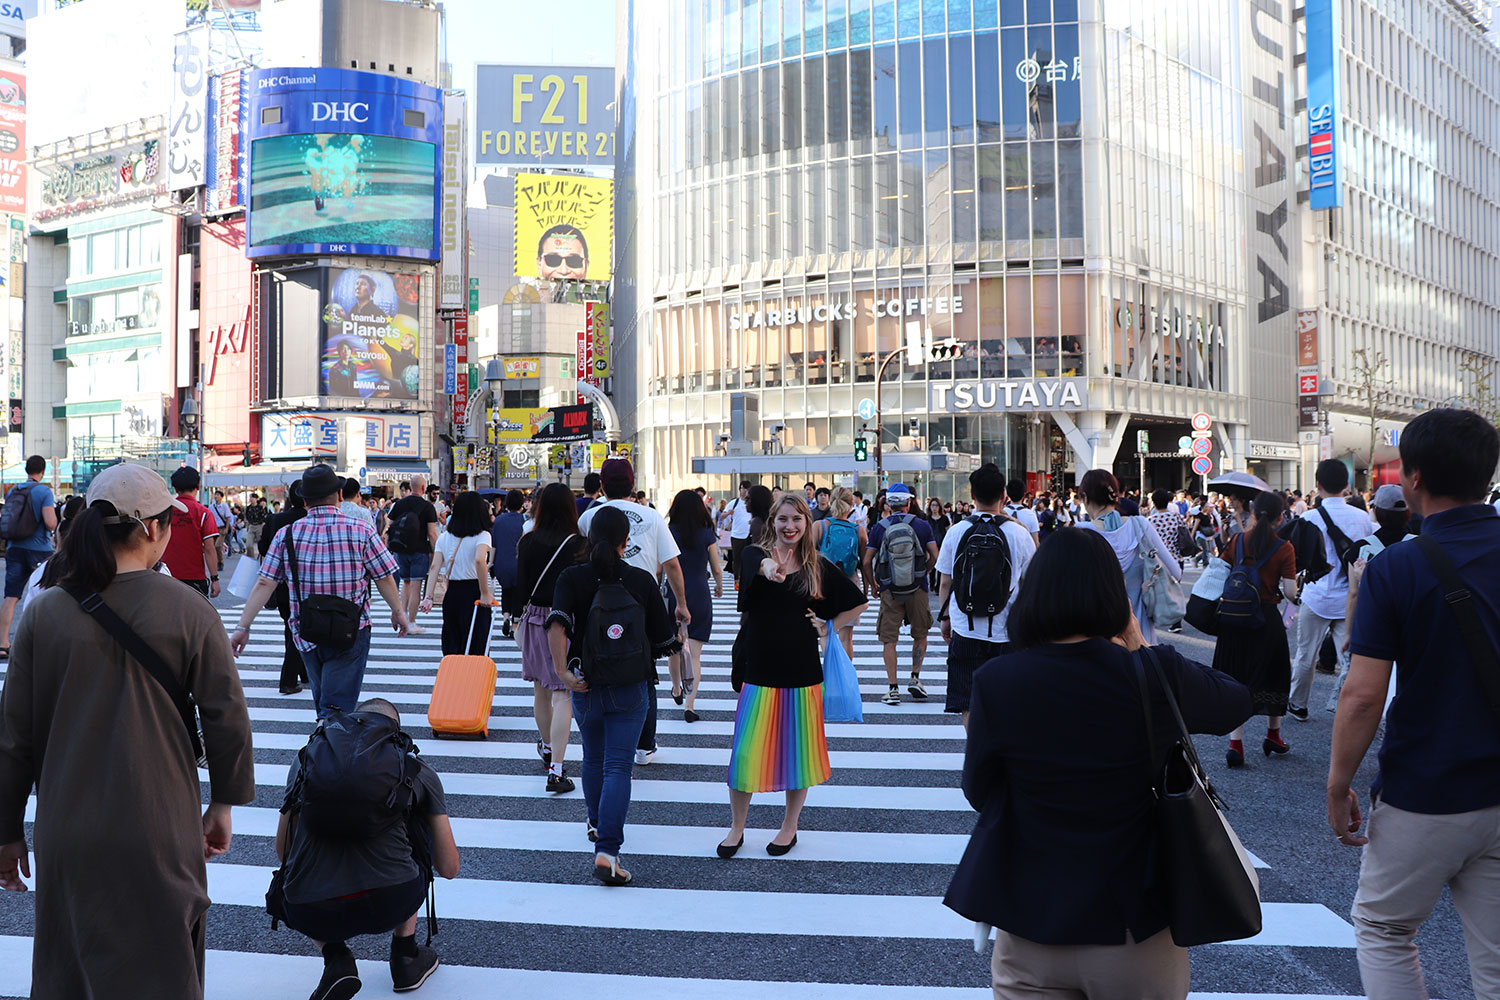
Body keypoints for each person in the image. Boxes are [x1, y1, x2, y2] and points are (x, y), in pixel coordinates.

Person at [945, 526, 1251, 1000]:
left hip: (1030, 921)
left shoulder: (997, 680)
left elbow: (979, 790)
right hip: (1134, 925)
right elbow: (1235, 701)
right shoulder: (1149, 673)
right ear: (1113, 597)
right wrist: (1137, 641)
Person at [0, 462, 256, 999]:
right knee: (161, 968)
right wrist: (223, 805)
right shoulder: (191, 611)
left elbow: (13, 740)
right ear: (152, 529)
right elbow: (226, 716)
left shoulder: (43, 612)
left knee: (70, 965)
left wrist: (6, 831)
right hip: (158, 825)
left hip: (67, 828)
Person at [1329, 408, 1500, 1000]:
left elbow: (1362, 694)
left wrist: (1337, 784)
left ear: (1415, 478)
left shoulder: (1397, 566)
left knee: (1384, 927)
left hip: (1427, 786)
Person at [274, 697, 460, 1000]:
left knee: (287, 884)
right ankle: (405, 956)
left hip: (314, 911)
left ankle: (337, 958)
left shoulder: (305, 761)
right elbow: (449, 867)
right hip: (392, 901)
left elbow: (283, 852)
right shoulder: (416, 770)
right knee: (417, 825)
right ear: (395, 734)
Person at [719, 493, 866, 859]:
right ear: (773, 521)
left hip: (802, 672)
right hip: (759, 668)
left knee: (797, 756)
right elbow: (757, 563)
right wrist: (771, 569)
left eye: (797, 520)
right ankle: (737, 827)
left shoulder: (818, 565)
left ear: (806, 523)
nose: (790, 527)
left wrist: (827, 623)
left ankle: (790, 826)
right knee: (745, 755)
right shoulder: (755, 554)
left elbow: (858, 602)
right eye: (784, 519)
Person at [546, 506, 679, 884]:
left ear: (589, 538)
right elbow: (662, 640)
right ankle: (608, 850)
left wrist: (562, 672)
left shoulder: (572, 577)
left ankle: (595, 820)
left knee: (593, 758)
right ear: (627, 541)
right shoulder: (640, 580)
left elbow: (556, 625)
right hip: (630, 688)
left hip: (585, 685)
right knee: (619, 766)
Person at [231, 464, 411, 718]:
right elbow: (384, 576)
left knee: (325, 700)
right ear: (339, 495)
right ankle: (329, 747)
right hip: (352, 629)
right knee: (336, 708)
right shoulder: (361, 530)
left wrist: (243, 627)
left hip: (307, 630)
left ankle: (327, 741)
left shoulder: (287, 535)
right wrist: (398, 611)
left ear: (305, 501)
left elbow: (264, 583)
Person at [578, 459, 690, 765]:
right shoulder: (652, 517)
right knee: (644, 671)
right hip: (641, 599)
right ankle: (644, 745)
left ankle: (602, 736)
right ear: (632, 485)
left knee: (600, 661)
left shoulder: (589, 517)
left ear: (602, 486)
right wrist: (680, 603)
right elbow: (672, 564)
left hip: (598, 598)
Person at [935, 464, 1035, 729]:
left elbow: (945, 582)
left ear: (972, 494)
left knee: (968, 699)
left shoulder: (956, 531)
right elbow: (1032, 582)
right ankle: (1002, 755)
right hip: (1007, 629)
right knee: (1006, 697)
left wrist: (945, 619)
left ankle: (978, 754)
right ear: (1004, 495)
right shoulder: (1019, 533)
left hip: (965, 626)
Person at [510, 483, 587, 794]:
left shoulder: (528, 541)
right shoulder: (580, 543)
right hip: (567, 620)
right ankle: (557, 767)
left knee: (541, 691)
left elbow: (520, 585)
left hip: (534, 617)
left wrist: (516, 618)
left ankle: (545, 746)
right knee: (563, 693)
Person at [1212, 491, 1298, 768]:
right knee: (1274, 674)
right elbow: (1290, 592)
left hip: (1234, 619)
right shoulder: (1284, 547)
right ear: (1281, 517)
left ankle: (1235, 744)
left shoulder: (1237, 540)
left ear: (1253, 512)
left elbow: (1219, 573)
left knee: (1236, 676)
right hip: (1266, 620)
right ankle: (1274, 735)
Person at [1286, 459, 1371, 720]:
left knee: (1305, 654)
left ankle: (1298, 704)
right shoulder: (1363, 518)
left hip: (1316, 595)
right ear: (1347, 485)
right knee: (1351, 658)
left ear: (1318, 485)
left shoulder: (1309, 518)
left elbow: (1297, 558)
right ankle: (1347, 706)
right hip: (1350, 598)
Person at [1076, 469, 1181, 644]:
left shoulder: (1080, 533)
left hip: (1095, 642)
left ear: (1085, 497)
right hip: (1141, 640)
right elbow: (1175, 573)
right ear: (1116, 495)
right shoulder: (1140, 525)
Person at [863, 482, 940, 706]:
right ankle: (915, 678)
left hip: (890, 589)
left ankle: (893, 688)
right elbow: (935, 555)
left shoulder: (879, 528)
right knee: (920, 633)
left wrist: (873, 584)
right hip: (917, 588)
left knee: (889, 639)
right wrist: (923, 573)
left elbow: (867, 561)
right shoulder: (922, 525)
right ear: (909, 502)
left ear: (888, 502)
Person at [664, 489, 723, 723]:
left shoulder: (669, 533)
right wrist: (719, 585)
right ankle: (690, 705)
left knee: (674, 648)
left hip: (673, 593)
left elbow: (662, 567)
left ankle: (677, 689)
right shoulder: (707, 534)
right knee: (694, 653)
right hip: (699, 592)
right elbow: (717, 568)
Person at [419, 492, 495, 656]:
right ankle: (473, 681)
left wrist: (428, 596)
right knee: (476, 643)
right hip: (474, 592)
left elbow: (434, 567)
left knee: (453, 642)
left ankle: (455, 678)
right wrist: (485, 593)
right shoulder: (483, 535)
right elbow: (480, 560)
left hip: (452, 593)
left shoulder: (444, 537)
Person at [0, 456, 58, 657]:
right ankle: (48, 640)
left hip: (14, 548)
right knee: (51, 592)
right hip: (39, 550)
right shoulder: (43, 491)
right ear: (42, 471)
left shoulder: (14, 490)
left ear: (26, 469)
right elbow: (50, 522)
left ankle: (3, 644)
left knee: (11, 596)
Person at [260, 484, 311, 695]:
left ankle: (304, 673)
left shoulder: (275, 520)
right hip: (306, 584)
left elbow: (263, 548)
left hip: (279, 583)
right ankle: (288, 680)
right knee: (297, 631)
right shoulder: (310, 521)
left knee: (289, 628)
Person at [809, 486, 868, 658]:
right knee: (846, 637)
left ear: (831, 501)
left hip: (824, 584)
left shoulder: (819, 526)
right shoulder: (858, 530)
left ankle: (829, 674)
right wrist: (867, 586)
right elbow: (864, 562)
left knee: (825, 633)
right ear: (851, 505)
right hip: (850, 582)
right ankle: (844, 675)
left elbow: (809, 558)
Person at [385, 475, 440, 636]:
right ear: (423, 488)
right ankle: (412, 622)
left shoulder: (399, 504)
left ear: (410, 487)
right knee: (416, 586)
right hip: (419, 550)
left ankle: (404, 616)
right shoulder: (427, 507)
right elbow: (431, 533)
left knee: (405, 584)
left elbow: (390, 526)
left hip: (401, 550)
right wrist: (436, 553)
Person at [161, 466, 222, 598]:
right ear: (198, 485)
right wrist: (214, 579)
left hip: (165, 577)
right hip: (195, 579)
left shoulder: (164, 511)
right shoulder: (204, 513)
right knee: (194, 618)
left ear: (175, 488)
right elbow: (209, 549)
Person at [490, 489, 528, 635]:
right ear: (521, 504)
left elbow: (494, 544)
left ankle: (506, 617)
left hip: (501, 562)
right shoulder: (524, 520)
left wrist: (491, 563)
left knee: (506, 591)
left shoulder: (498, 520)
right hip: (519, 562)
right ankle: (514, 625)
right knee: (518, 593)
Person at [1146, 488, 1186, 564]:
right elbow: (1183, 533)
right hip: (1176, 557)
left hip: (1158, 560)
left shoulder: (1150, 521)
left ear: (1154, 503)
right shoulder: (1177, 517)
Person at [1004, 478, 1041, 546]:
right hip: (1026, 553)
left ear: (1007, 494)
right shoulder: (1031, 514)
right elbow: (1035, 542)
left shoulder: (1001, 513)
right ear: (1024, 494)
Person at [726, 481, 752, 574]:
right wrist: (729, 513)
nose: (744, 491)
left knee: (749, 558)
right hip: (737, 535)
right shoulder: (735, 502)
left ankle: (747, 579)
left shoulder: (752, 502)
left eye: (747, 489)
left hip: (750, 534)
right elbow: (722, 515)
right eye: (742, 488)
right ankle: (737, 580)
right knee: (737, 559)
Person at [924, 496, 950, 589]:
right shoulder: (927, 518)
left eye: (936, 505)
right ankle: (931, 583)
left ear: (939, 507)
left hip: (941, 542)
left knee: (940, 564)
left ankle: (938, 584)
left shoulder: (944, 518)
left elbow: (948, 530)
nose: (934, 507)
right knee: (932, 563)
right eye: (932, 505)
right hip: (930, 543)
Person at [211, 491, 234, 562]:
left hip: (222, 528)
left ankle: (220, 562)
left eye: (218, 495)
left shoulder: (224, 506)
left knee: (217, 546)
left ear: (221, 497)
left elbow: (228, 517)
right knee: (214, 547)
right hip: (214, 529)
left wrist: (226, 528)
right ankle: (216, 561)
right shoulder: (211, 506)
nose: (216, 496)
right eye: (215, 495)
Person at [243, 494, 269, 559]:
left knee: (260, 545)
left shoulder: (260, 508)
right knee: (249, 545)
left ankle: (262, 559)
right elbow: (246, 517)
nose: (251, 499)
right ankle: (250, 559)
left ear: (257, 499)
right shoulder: (248, 508)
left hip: (259, 526)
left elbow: (264, 518)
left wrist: (263, 527)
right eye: (250, 497)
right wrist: (247, 525)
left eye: (253, 498)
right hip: (251, 526)